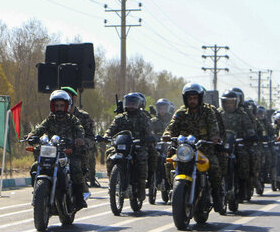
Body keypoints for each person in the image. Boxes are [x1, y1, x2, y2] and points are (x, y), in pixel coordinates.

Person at [165, 83, 222, 213]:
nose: (192, 101)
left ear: (200, 98)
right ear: (186, 99)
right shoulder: (180, 113)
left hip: (204, 149)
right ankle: (172, 189)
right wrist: (167, 135)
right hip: (184, 149)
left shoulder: (208, 112)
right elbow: (171, 127)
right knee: (169, 163)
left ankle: (217, 195)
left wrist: (214, 137)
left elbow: (214, 127)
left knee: (214, 166)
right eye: (190, 98)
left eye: (195, 98)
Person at [26, 90, 87, 209]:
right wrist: (31, 135)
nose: (59, 108)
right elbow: (39, 129)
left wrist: (79, 139)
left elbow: (80, 129)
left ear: (66, 106)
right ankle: (39, 192)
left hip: (66, 152)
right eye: (56, 106)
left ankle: (79, 198)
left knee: (75, 168)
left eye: (61, 106)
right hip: (51, 152)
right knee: (35, 167)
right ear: (52, 106)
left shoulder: (72, 120)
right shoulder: (50, 119)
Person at [104, 92, 154, 201]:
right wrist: (106, 136)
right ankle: (112, 181)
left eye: (133, 104)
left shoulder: (143, 117)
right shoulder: (120, 118)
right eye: (128, 103)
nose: (130, 106)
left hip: (137, 145)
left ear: (138, 104)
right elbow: (111, 129)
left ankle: (141, 185)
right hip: (122, 145)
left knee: (142, 157)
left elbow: (149, 133)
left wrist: (148, 138)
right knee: (109, 154)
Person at [219, 90, 256, 200]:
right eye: (226, 102)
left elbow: (250, 129)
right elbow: (212, 127)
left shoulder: (242, 115)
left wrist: (250, 135)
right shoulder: (218, 114)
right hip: (222, 144)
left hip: (238, 144)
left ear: (236, 103)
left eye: (231, 102)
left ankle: (244, 183)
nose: (228, 104)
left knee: (245, 156)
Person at [61, 86, 99, 188]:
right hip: (59, 151)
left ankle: (83, 185)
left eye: (66, 97)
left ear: (73, 99)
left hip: (76, 152)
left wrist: (82, 141)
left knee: (78, 168)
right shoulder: (55, 115)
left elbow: (91, 138)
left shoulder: (83, 117)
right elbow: (44, 130)